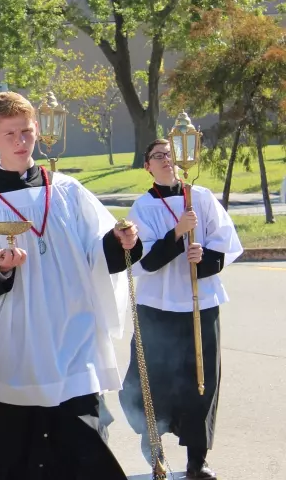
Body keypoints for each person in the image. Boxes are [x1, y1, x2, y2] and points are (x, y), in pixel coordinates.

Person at [0, 91, 142, 480]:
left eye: (27, 132)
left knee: (80, 457)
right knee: (10, 460)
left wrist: (122, 243)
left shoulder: (67, 192)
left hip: (70, 341)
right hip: (10, 349)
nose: (21, 141)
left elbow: (100, 250)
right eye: (10, 133)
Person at [119, 139, 241, 480]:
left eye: (171, 155)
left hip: (200, 305)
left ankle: (196, 462)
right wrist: (177, 233)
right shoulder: (142, 207)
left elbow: (226, 243)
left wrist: (203, 261)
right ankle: (154, 450)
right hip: (157, 308)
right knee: (152, 381)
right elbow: (145, 261)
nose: (167, 161)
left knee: (201, 383)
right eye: (158, 156)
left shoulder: (200, 197)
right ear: (147, 166)